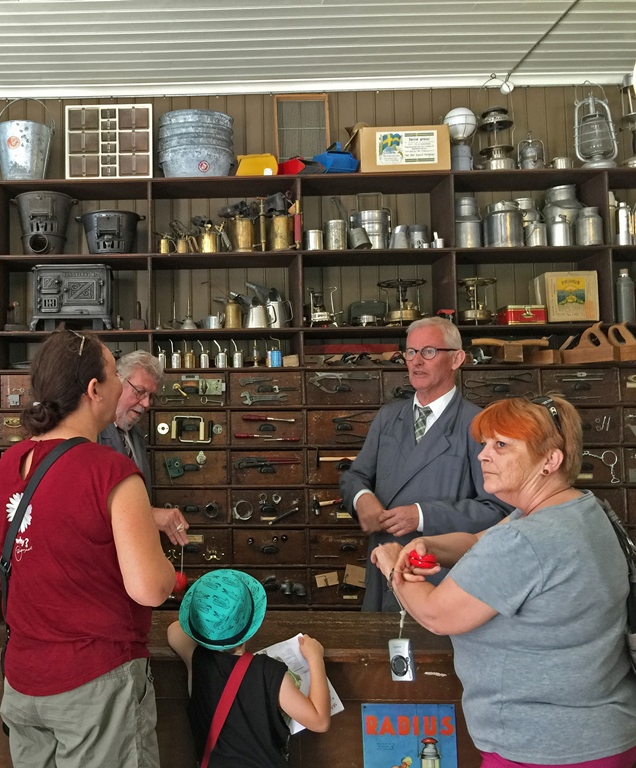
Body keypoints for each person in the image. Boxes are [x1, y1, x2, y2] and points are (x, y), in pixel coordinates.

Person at [371, 395, 636, 767]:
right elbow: (478, 540)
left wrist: (392, 563)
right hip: (600, 732)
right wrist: (429, 544)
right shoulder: (577, 508)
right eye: (484, 444)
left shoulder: (526, 540)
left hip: (545, 747)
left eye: (501, 445)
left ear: (550, 460)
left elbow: (436, 614)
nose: (482, 455)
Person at [0, 329, 176, 768]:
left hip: (24, 681)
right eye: (114, 375)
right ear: (94, 390)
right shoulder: (110, 471)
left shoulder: (9, 463)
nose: (121, 387)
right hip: (96, 683)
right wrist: (163, 566)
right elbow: (149, 589)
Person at [340, 316, 511, 611]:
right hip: (384, 572)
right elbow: (355, 475)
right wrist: (361, 498)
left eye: (429, 352)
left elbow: (498, 511)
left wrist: (421, 516)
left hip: (441, 580)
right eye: (410, 352)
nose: (417, 361)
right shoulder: (388, 418)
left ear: (457, 359)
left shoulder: (479, 424)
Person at [167, 569, 331, 768]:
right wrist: (315, 658)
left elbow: (174, 629)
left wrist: (208, 623)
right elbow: (320, 721)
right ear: (251, 625)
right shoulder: (268, 672)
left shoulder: (197, 660)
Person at [98, 350, 189, 546]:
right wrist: (150, 515)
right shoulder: (93, 433)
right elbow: (89, 505)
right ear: (117, 382)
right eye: (140, 392)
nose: (146, 403)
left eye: (150, 395)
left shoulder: (136, 434)